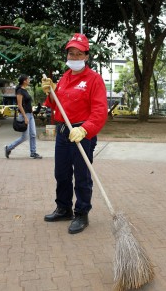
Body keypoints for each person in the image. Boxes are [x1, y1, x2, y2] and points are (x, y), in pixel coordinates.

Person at [42, 33, 108, 234]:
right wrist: (50, 93)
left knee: (82, 175)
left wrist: (85, 129)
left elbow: (99, 110)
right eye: (71, 53)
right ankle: (63, 208)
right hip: (64, 133)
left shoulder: (94, 80)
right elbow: (57, 106)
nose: (74, 57)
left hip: (82, 133)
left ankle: (81, 213)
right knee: (61, 173)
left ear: (86, 56)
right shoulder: (64, 78)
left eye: (79, 54)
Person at [5, 74, 42, 159]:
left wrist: (32, 113)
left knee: (33, 134)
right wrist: (25, 117)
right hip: (24, 115)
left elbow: (28, 103)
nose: (29, 80)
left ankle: (33, 152)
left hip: (30, 115)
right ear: (24, 81)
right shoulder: (19, 91)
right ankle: (9, 148)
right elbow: (20, 105)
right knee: (25, 137)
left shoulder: (25, 90)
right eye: (28, 79)